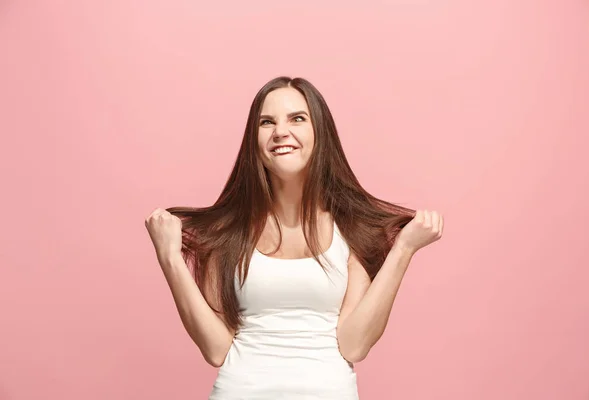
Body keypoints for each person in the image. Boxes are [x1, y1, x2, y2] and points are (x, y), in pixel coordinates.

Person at [145, 76, 443, 399]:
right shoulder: (228, 233)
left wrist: (404, 249)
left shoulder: (350, 231)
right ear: (254, 144)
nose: (280, 132)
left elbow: (355, 344)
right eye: (267, 122)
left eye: (297, 119)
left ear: (320, 134)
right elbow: (216, 349)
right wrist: (170, 259)